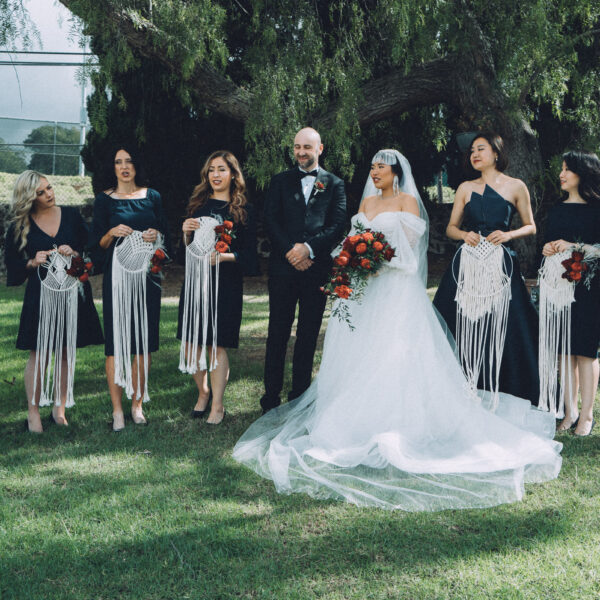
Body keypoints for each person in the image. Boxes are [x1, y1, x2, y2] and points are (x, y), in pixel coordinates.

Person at [233, 149, 562, 512]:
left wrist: (375, 260)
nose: (374, 173)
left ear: (395, 172)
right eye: (372, 167)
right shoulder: (366, 206)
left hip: (395, 292)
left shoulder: (407, 202)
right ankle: (348, 421)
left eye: (380, 167)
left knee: (394, 354)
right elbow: (348, 244)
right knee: (360, 356)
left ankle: (399, 422)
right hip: (363, 294)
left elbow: (408, 254)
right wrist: (352, 261)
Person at [433, 132, 541, 405]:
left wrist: (508, 235)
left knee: (509, 323)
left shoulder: (516, 186)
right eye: (471, 151)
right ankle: (461, 387)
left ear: (496, 153)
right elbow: (450, 228)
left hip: (500, 264)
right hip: (467, 264)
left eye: (480, 149)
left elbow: (531, 225)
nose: (474, 155)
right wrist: (463, 235)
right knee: (458, 321)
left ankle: (508, 387)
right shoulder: (465, 188)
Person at [4, 170, 104, 433]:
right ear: (29, 197)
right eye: (41, 192)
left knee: (65, 352)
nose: (49, 194)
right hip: (40, 296)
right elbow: (12, 266)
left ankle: (59, 410)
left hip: (72, 293)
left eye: (49, 188)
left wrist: (76, 252)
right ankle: (33, 411)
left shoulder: (71, 215)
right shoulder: (19, 226)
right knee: (39, 353)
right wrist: (32, 261)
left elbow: (92, 250)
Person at [260, 127, 347, 413]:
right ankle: (270, 398)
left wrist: (309, 250)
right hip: (283, 269)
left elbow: (338, 226)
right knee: (277, 332)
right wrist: (291, 251)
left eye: (307, 147)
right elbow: (270, 220)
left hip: (315, 269)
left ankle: (299, 397)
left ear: (320, 149)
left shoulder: (334, 184)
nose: (300, 152)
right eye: (297, 147)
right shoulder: (279, 182)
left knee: (308, 334)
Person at [90, 146, 170, 431]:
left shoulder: (153, 196)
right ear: (112, 167)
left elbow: (166, 236)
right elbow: (95, 246)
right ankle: (117, 411)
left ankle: (137, 404)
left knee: (144, 342)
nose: (124, 167)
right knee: (115, 343)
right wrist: (110, 233)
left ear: (137, 165)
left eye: (129, 162)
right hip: (117, 278)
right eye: (118, 162)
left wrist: (156, 235)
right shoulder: (104, 200)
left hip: (148, 276)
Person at [176, 151, 257, 424]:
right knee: (190, 344)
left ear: (233, 174)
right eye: (211, 170)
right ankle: (203, 392)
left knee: (216, 346)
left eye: (222, 169)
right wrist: (185, 232)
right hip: (196, 283)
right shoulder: (197, 206)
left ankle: (217, 406)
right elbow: (185, 252)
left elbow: (252, 257)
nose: (216, 175)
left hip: (226, 284)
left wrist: (225, 256)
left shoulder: (242, 211)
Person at [542, 150, 600, 436]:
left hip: (590, 287)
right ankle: (570, 410)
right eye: (562, 169)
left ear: (583, 173)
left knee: (586, 352)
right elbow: (548, 242)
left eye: (568, 169)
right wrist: (548, 248)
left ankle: (587, 415)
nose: (561, 174)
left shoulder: (597, 208)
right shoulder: (557, 208)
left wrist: (573, 247)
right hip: (560, 288)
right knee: (565, 349)